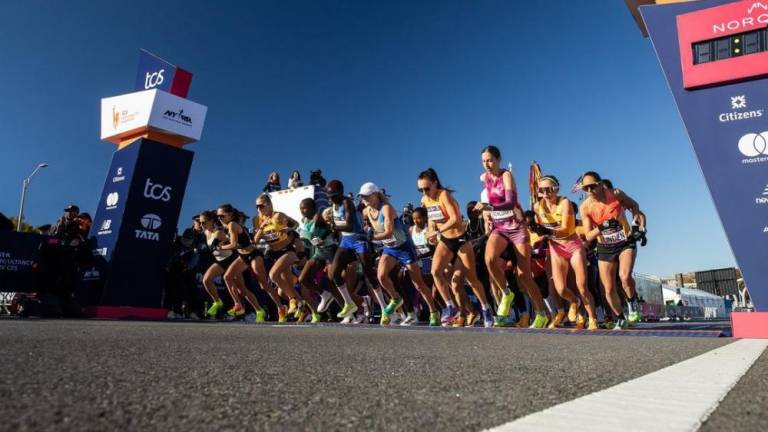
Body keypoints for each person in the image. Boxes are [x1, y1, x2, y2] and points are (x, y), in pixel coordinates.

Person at [473, 147, 549, 328]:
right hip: (500, 228)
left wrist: (488, 207)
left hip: (516, 228)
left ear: (499, 159)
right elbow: (486, 186)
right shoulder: (485, 178)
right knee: (489, 259)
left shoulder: (506, 176)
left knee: (524, 276)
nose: (487, 165)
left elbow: (510, 203)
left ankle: (541, 313)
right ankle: (506, 293)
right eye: (483, 161)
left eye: (490, 160)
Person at [418, 168, 494, 327]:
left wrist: (438, 230)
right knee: (436, 272)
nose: (424, 192)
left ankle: (486, 309)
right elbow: (432, 218)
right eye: (421, 189)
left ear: (435, 183)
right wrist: (432, 232)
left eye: (427, 188)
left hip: (460, 240)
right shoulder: (425, 200)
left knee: (472, 279)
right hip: (446, 241)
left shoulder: (444, 195)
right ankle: (450, 306)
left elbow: (455, 219)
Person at [359, 182, 440, 326]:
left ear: (375, 195)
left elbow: (389, 231)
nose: (363, 199)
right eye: (362, 197)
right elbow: (368, 226)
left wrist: (372, 237)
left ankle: (434, 312)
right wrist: (367, 230)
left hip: (404, 247)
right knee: (381, 276)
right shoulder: (366, 211)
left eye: (366, 196)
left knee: (418, 284)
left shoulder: (386, 208)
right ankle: (396, 299)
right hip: (390, 248)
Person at [579, 171, 646, 329]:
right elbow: (588, 236)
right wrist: (602, 227)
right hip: (605, 247)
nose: (589, 191)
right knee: (608, 289)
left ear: (601, 184)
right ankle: (620, 318)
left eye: (592, 186)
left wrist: (636, 224)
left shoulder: (616, 194)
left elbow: (634, 205)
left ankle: (632, 303)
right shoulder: (585, 207)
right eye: (585, 189)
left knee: (624, 276)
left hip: (625, 241)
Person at [532, 175, 598, 330]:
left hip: (573, 246)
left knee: (582, 286)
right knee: (560, 288)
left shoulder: (564, 202)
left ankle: (593, 318)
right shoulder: (537, 206)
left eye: (549, 189)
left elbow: (567, 228)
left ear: (556, 189)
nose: (546, 193)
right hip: (556, 249)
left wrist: (547, 231)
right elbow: (540, 229)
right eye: (542, 190)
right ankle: (574, 301)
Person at [326, 180, 389, 324]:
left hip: (359, 239)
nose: (332, 199)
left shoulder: (346, 202)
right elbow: (342, 229)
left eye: (335, 196)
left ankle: (385, 308)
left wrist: (334, 227)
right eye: (330, 196)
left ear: (341, 193)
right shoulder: (333, 205)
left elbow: (348, 225)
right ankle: (349, 303)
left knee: (369, 274)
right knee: (334, 273)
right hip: (346, 241)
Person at [252, 194, 304, 318]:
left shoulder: (278, 216)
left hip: (288, 251)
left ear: (269, 205)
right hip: (275, 253)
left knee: (273, 275)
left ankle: (292, 300)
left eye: (262, 206)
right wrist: (261, 227)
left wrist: (287, 229)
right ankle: (302, 306)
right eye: (256, 207)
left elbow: (295, 224)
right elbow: (255, 240)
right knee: (282, 291)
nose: (259, 209)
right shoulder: (257, 220)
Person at [213, 204, 267, 319]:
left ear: (230, 215)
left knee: (261, 285)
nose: (219, 218)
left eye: (222, 216)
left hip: (251, 256)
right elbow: (236, 243)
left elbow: (233, 245)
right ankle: (255, 310)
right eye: (218, 216)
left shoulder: (232, 224)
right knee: (237, 284)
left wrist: (219, 247)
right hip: (242, 257)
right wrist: (222, 243)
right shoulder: (228, 226)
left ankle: (243, 306)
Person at [297, 198, 337, 323]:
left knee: (334, 282)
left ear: (313, 208)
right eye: (301, 209)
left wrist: (302, 232)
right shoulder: (304, 221)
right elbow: (309, 239)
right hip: (319, 253)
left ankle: (350, 311)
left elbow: (314, 235)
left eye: (305, 208)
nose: (302, 211)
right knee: (303, 279)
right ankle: (323, 294)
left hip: (330, 252)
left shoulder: (318, 217)